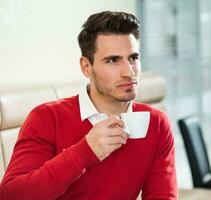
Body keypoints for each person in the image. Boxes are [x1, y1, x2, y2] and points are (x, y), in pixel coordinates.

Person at [0, 11, 177, 199]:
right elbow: (11, 195)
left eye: (133, 58)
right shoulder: (47, 118)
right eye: (113, 60)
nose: (129, 71)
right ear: (86, 67)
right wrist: (84, 152)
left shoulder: (156, 123)